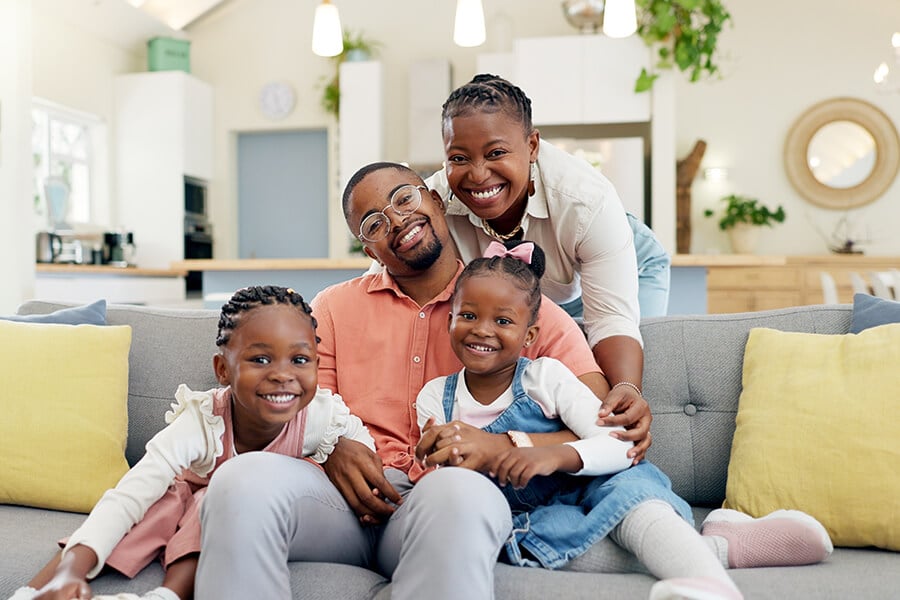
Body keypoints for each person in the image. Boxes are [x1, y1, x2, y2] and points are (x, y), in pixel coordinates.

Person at [194, 162, 645, 600]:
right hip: (336, 508)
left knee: (458, 490)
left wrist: (505, 446)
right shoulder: (331, 308)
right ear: (369, 250)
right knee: (239, 480)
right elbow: (305, 403)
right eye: (374, 223)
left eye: (404, 198)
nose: (397, 220)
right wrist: (331, 446)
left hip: (445, 499)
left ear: (434, 199)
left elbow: (601, 421)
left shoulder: (518, 305)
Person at [414, 239, 833, 600]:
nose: (481, 330)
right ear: (449, 319)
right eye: (467, 315)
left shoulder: (546, 377)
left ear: (529, 336)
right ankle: (719, 548)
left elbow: (618, 443)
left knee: (631, 500)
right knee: (543, 547)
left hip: (598, 484)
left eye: (502, 320)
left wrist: (551, 455)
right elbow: (444, 474)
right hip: (529, 517)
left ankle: (709, 585)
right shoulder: (436, 397)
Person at [11, 286, 374, 600]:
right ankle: (41, 588)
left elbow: (365, 453)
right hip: (181, 506)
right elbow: (130, 494)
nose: (282, 375)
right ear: (222, 370)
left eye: (300, 360)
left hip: (255, 519)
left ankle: (169, 594)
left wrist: (340, 454)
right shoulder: (202, 420)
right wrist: (71, 571)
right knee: (167, 499)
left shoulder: (320, 417)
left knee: (210, 498)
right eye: (260, 359)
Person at [427, 73, 661, 434]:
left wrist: (627, 390)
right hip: (520, 298)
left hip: (623, 266)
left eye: (496, 153)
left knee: (619, 378)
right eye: (459, 158)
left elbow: (611, 319)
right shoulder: (434, 203)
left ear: (532, 146)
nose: (477, 174)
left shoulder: (585, 201)